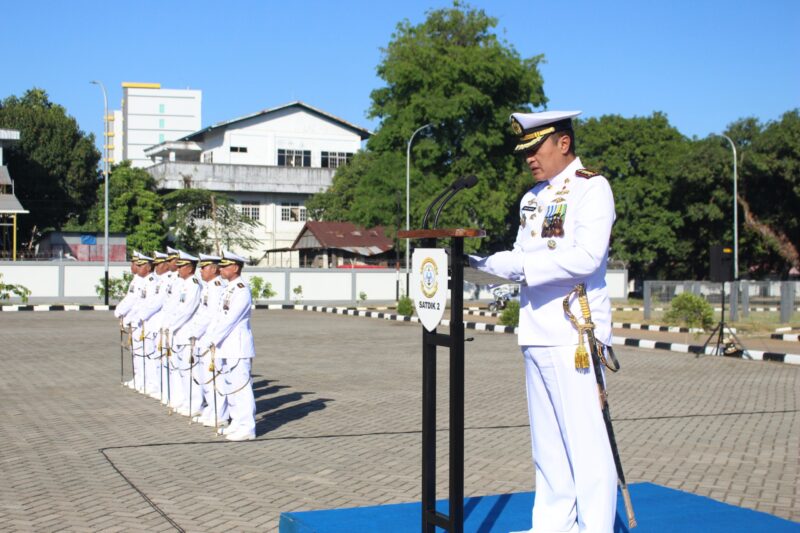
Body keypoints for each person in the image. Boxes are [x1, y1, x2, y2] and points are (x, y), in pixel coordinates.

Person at [470, 110, 617, 533]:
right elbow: (519, 257)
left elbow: (587, 257)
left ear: (563, 143)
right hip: (536, 329)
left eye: (536, 148)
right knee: (548, 445)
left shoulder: (592, 189)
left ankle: (594, 528)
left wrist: (523, 267)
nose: (529, 158)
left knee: (586, 444)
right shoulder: (533, 197)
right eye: (526, 151)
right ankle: (553, 526)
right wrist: (483, 266)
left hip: (574, 333)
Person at [205, 250, 256, 441]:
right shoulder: (229, 288)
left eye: (225, 266)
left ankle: (247, 427)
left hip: (238, 346)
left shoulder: (242, 289)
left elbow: (230, 320)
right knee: (229, 387)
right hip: (225, 345)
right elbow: (218, 317)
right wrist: (211, 337)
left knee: (241, 387)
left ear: (235, 268)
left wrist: (212, 339)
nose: (221, 269)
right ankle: (237, 423)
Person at [184, 253, 228, 426]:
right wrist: (194, 331)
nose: (200, 270)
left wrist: (196, 332)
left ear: (214, 269)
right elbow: (201, 312)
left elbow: (211, 316)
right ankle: (212, 409)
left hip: (211, 337)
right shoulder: (208, 286)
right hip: (203, 337)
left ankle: (220, 415)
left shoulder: (217, 287)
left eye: (204, 267)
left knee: (214, 379)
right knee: (205, 378)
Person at [164, 251, 203, 417]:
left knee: (190, 371)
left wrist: (171, 326)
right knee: (181, 370)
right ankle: (185, 401)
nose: (177, 269)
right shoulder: (183, 283)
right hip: (178, 332)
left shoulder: (193, 284)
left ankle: (195, 404)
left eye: (181, 266)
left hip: (187, 333)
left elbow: (187, 310)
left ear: (189, 267)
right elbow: (174, 307)